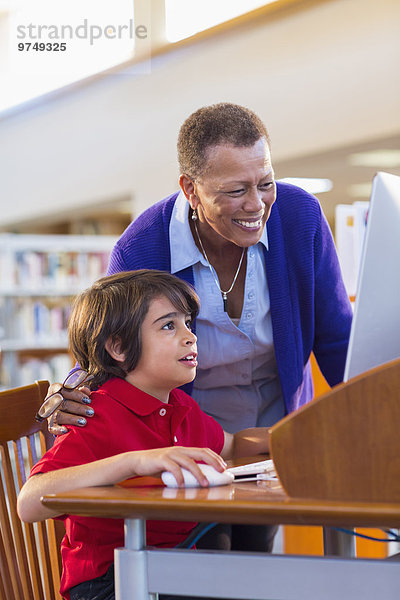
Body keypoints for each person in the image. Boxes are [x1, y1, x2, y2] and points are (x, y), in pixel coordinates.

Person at [45, 102, 353, 552]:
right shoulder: (142, 246)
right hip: (187, 435)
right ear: (190, 189)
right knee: (206, 550)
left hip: (270, 428)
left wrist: (371, 417)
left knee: (254, 557)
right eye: (234, 191)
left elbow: (337, 336)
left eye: (265, 184)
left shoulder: (298, 217)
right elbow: (108, 349)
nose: (256, 204)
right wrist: (73, 390)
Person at [18, 270, 271, 600]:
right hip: (108, 582)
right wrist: (134, 462)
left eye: (188, 323)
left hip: (168, 566)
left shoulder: (181, 405)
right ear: (119, 348)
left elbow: (234, 444)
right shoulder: (96, 414)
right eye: (169, 326)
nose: (190, 336)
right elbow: (28, 503)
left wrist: (301, 435)